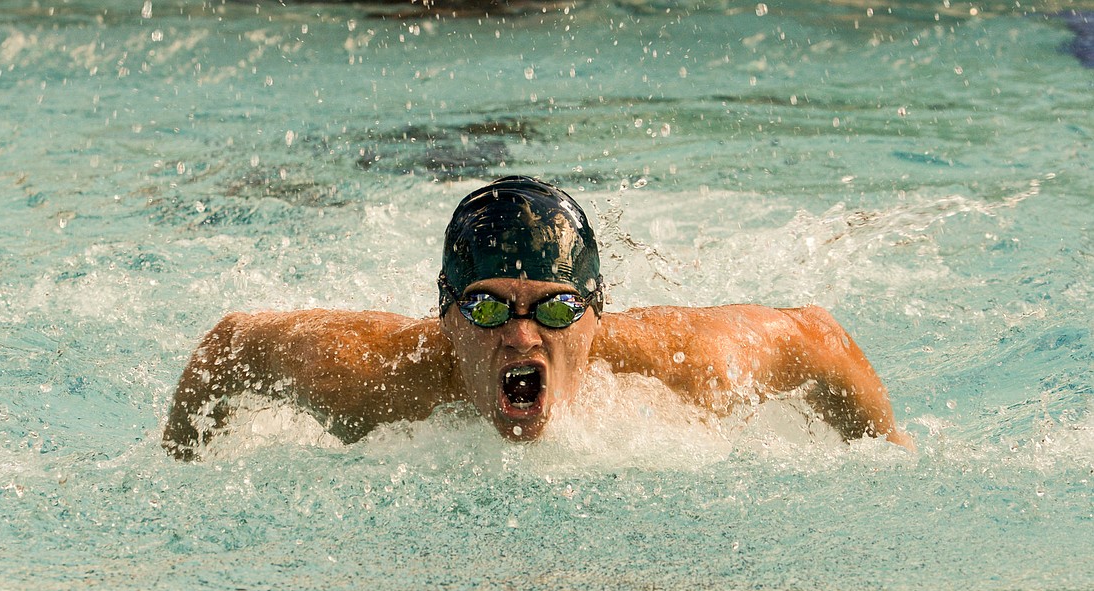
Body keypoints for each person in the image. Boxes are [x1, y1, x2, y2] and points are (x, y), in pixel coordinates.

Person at [163, 176, 913, 460]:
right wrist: (180, 468)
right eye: (486, 306)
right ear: (446, 315)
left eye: (554, 308)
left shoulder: (687, 367)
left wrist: (891, 454)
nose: (521, 335)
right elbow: (231, 344)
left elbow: (819, 337)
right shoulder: (369, 380)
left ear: (595, 315)